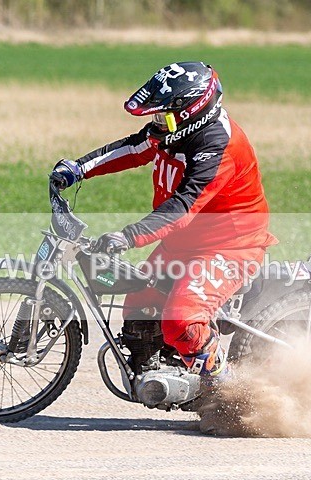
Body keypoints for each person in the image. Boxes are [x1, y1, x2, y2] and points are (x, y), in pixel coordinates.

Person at [50, 61, 277, 390]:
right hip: (183, 243)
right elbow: (135, 148)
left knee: (181, 320)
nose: (156, 126)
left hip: (229, 247)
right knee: (137, 307)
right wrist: (78, 169)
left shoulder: (219, 146)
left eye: (162, 117)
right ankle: (164, 372)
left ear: (190, 112)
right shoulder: (173, 131)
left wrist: (129, 236)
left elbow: (183, 206)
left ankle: (228, 390)